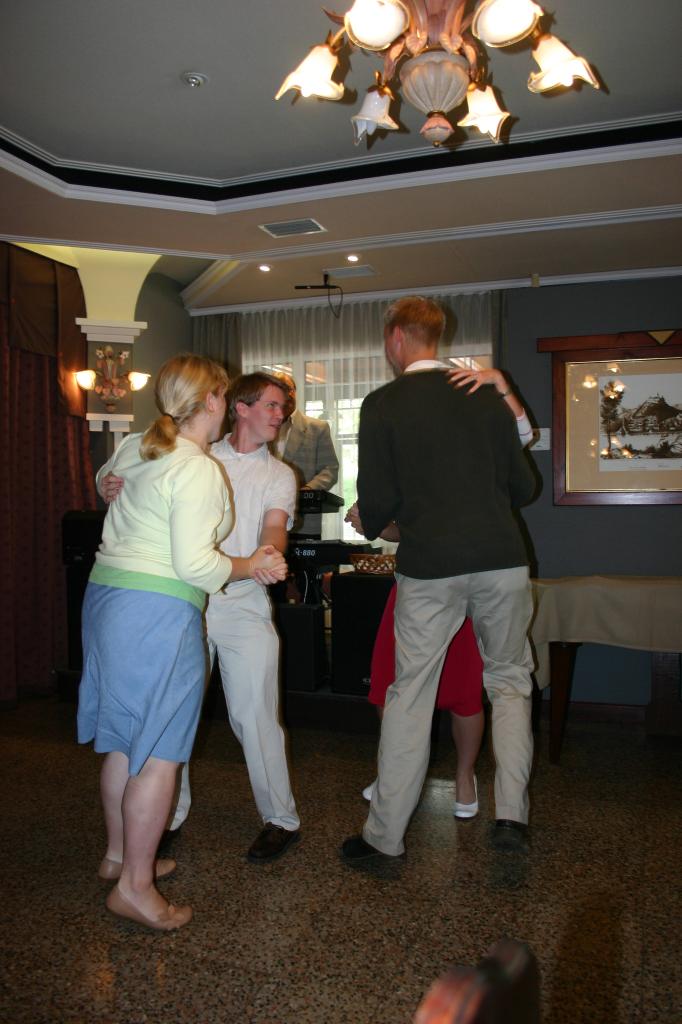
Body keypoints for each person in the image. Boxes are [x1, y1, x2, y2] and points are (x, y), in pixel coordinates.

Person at [77, 355, 287, 932]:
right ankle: (135, 887)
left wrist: (104, 483)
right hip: (156, 611)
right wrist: (250, 565)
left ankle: (120, 856)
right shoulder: (196, 467)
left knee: (125, 741)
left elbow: (107, 479)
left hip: (106, 598)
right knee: (160, 752)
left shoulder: (139, 445)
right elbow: (197, 566)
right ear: (215, 400)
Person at [341, 297, 537, 864]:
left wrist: (371, 516)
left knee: (410, 694)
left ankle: (384, 838)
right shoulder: (484, 395)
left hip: (430, 566)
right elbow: (525, 488)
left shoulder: (383, 403)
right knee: (509, 683)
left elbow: (377, 504)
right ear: (437, 336)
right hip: (502, 559)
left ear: (396, 337)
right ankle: (511, 818)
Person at [274, 372, 339, 491]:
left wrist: (308, 489)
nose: (286, 394)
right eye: (279, 389)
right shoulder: (259, 428)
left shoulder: (318, 428)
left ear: (295, 392)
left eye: (288, 389)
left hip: (302, 500)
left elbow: (330, 469)